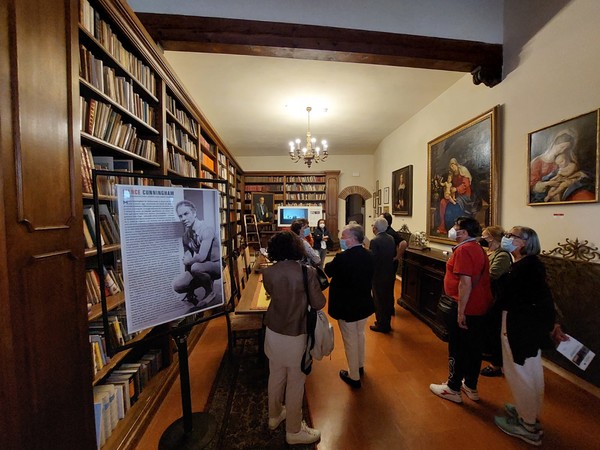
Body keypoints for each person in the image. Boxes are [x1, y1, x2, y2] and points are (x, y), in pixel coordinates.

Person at [493, 226, 568, 446]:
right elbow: (544, 296)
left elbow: (506, 296)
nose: (507, 238)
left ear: (524, 242)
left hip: (519, 325)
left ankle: (527, 425)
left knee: (519, 371)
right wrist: (552, 322)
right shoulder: (532, 265)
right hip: (531, 324)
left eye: (511, 236)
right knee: (531, 368)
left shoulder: (523, 269)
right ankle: (529, 412)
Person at [262, 231, 326, 445]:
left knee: (276, 374)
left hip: (273, 330)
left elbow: (272, 294)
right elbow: (318, 303)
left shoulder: (267, 273)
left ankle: (274, 416)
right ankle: (294, 430)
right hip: (296, 332)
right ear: (296, 248)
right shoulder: (306, 271)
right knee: (296, 381)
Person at [430, 216, 493, 404]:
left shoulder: (464, 250)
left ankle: (453, 387)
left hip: (466, 306)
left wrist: (460, 311)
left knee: (457, 346)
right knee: (474, 348)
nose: (453, 229)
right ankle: (470, 385)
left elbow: (465, 283)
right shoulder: (477, 248)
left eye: (456, 227)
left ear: (464, 232)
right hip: (478, 306)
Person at [325, 223, 375, 389]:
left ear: (353, 239)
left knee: (350, 340)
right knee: (360, 334)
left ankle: (353, 376)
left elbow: (328, 270)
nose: (341, 240)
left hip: (347, 306)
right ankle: (359, 365)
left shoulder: (342, 257)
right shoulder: (370, 255)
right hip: (364, 303)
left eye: (344, 237)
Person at [171, 200, 221, 307]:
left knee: (196, 267)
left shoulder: (206, 229)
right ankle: (192, 293)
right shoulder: (186, 236)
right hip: (200, 267)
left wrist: (189, 261)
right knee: (177, 285)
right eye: (180, 216)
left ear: (194, 213)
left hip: (217, 266)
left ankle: (210, 292)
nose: (183, 218)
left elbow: (201, 257)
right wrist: (187, 284)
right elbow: (187, 260)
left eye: (186, 214)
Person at [479, 226, 512, 377]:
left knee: (494, 329)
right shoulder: (487, 251)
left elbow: (492, 274)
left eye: (484, 235)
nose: (482, 237)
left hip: (496, 297)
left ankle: (497, 363)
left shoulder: (502, 255)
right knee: (487, 327)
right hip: (485, 294)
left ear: (491, 238)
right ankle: (489, 353)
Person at [529, 128, 595, 203]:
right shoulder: (537, 162)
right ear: (554, 144)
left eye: (566, 148)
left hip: (565, 185)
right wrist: (549, 183)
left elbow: (573, 170)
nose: (563, 150)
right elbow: (533, 187)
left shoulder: (564, 158)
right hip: (546, 191)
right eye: (561, 147)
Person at [436, 158, 478, 234]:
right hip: (455, 195)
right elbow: (448, 184)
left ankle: (456, 228)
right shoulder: (453, 175)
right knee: (443, 202)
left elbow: (466, 184)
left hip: (465, 195)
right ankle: (444, 226)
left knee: (454, 206)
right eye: (451, 166)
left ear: (456, 164)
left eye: (453, 165)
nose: (452, 168)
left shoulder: (463, 171)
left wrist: (456, 189)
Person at [369, 217, 396, 333]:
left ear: (375, 228)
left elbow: (373, 260)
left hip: (378, 275)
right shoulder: (390, 238)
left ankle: (382, 324)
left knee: (379, 300)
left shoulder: (375, 241)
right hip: (389, 272)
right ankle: (386, 322)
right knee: (387, 298)